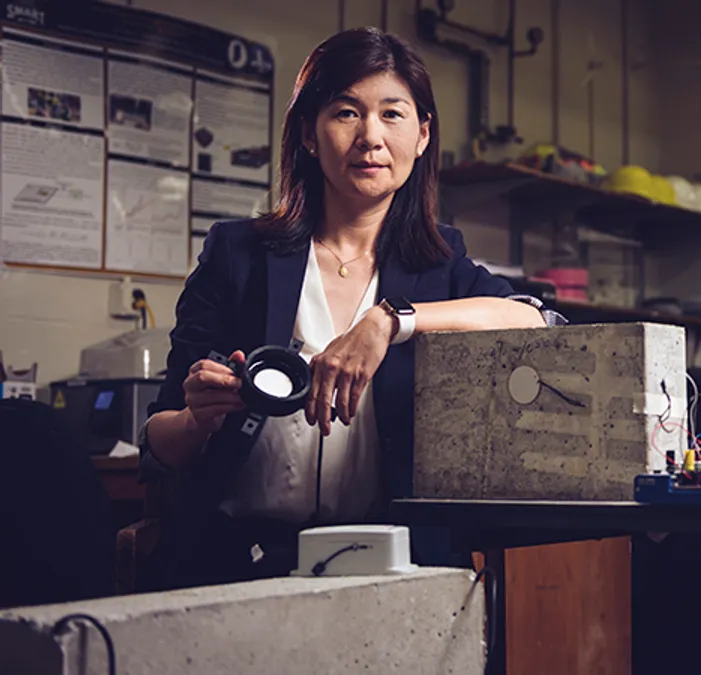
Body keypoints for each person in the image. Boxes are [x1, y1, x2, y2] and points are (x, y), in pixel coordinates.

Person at [140, 27, 562, 589]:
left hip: (391, 567)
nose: (370, 138)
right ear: (310, 136)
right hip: (239, 563)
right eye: (346, 113)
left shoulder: (439, 265)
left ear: (422, 135)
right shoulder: (237, 254)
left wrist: (391, 320)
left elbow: (537, 320)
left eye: (393, 115)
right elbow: (159, 445)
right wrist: (197, 418)